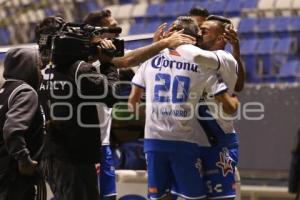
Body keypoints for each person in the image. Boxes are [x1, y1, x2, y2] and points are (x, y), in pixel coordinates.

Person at [128, 16, 239, 200]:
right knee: (194, 196)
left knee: (161, 196)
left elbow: (132, 102)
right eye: (200, 31)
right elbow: (230, 104)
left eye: (206, 31)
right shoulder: (205, 65)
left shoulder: (151, 59)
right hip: (187, 140)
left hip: (209, 139)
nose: (202, 34)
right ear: (193, 37)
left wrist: (159, 46)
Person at [176, 15, 242, 200]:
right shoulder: (196, 61)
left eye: (203, 31)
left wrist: (171, 44)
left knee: (221, 197)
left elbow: (196, 55)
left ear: (221, 38)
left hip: (219, 141)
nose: (198, 34)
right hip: (195, 140)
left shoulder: (224, 57)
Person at [0, 48, 45, 200]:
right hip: (14, 177)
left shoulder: (5, 91)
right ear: (28, 68)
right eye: (38, 67)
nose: (41, 73)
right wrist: (24, 160)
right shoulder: (25, 92)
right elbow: (12, 129)